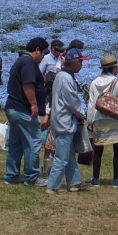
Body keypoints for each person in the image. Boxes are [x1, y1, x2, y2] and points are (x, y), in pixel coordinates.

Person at [4, 38, 50, 186]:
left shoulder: (20, 60)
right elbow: (28, 84)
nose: (43, 57)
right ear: (37, 50)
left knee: (16, 144)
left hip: (13, 107)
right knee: (33, 142)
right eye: (43, 53)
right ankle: (32, 177)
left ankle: (12, 175)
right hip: (23, 109)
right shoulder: (28, 63)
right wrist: (34, 104)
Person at [87, 54, 118, 188]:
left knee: (98, 149)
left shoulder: (94, 82)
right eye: (116, 67)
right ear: (112, 68)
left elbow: (91, 104)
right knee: (117, 150)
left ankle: (95, 179)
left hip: (98, 119)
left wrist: (90, 122)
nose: (117, 69)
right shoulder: (117, 82)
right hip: (115, 119)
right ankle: (116, 179)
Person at [46, 47, 87, 194]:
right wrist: (82, 114)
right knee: (61, 157)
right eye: (80, 62)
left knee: (68, 154)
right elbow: (73, 102)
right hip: (64, 122)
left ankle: (75, 182)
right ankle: (52, 186)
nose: (81, 65)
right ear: (72, 62)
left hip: (60, 119)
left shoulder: (62, 76)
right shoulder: (66, 78)